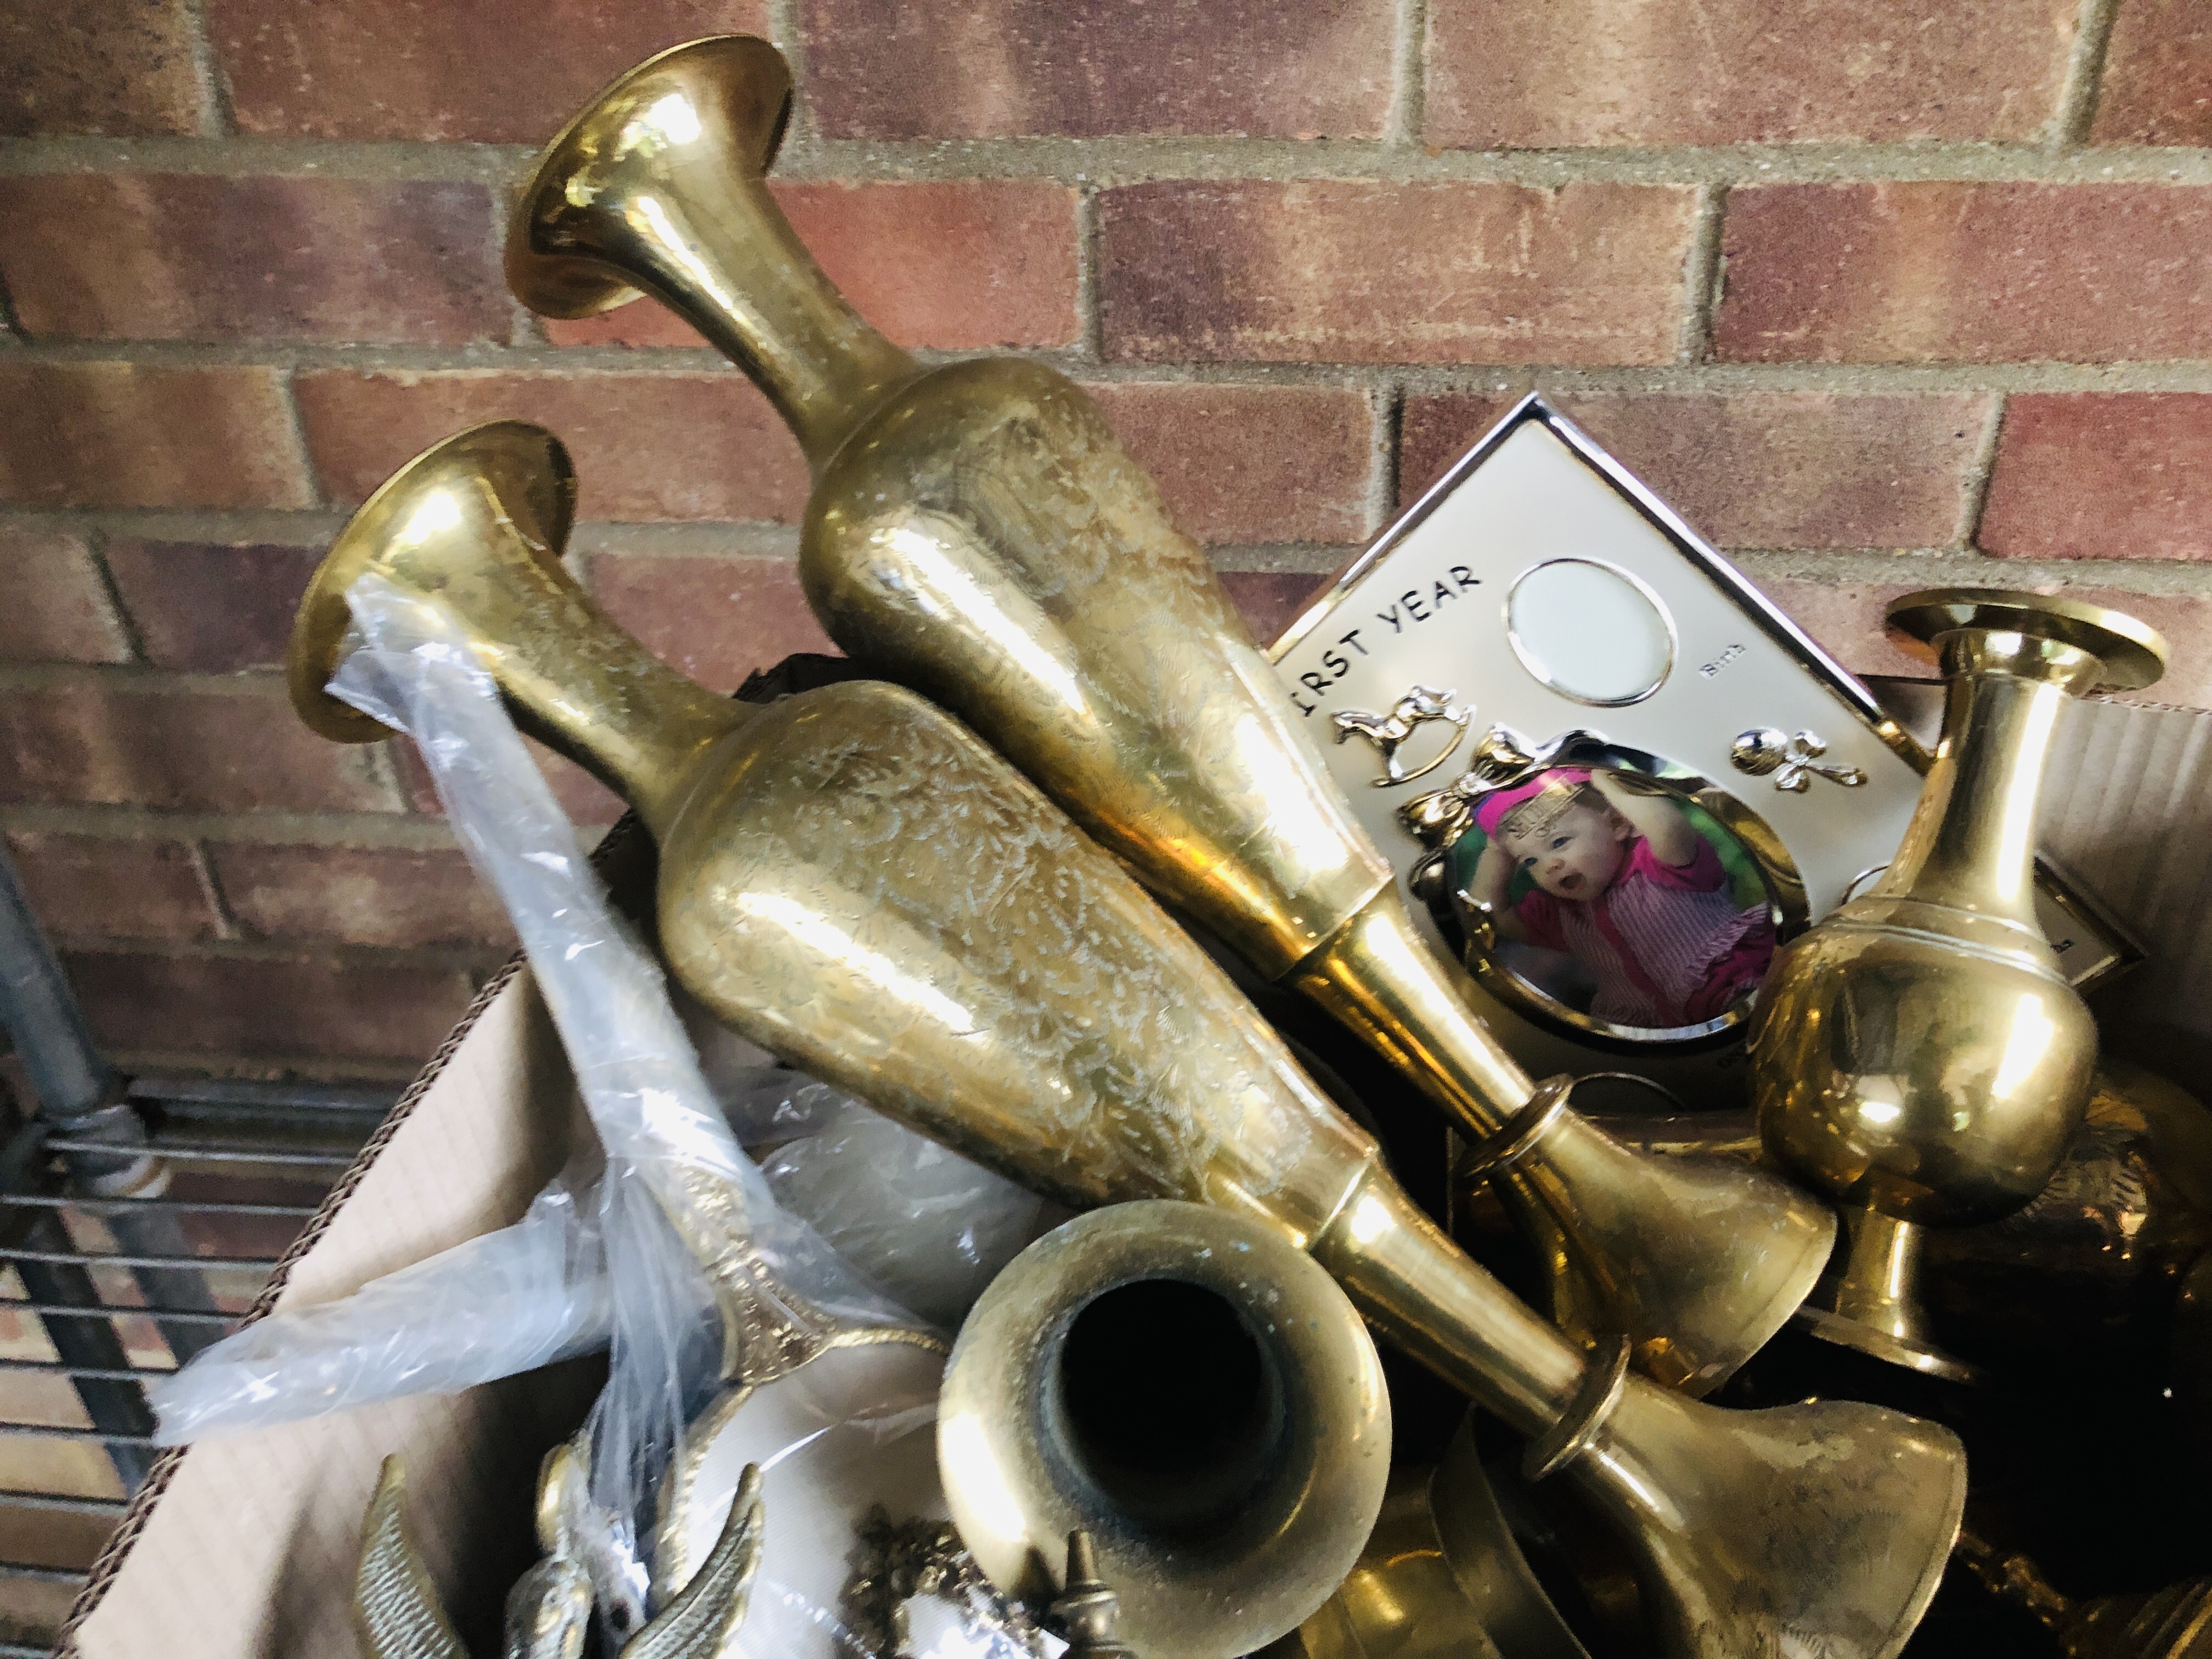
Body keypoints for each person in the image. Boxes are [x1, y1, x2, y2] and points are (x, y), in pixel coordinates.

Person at [1463, 768, 1773, 1029]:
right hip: (1651, 1027)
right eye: (1529, 861)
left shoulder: (1657, 863)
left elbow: (1667, 827)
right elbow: (1488, 916)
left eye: (1559, 842)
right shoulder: (1560, 914)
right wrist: (1498, 851)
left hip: (1727, 985)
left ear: (1617, 824)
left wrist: (1605, 781)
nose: (1549, 865)